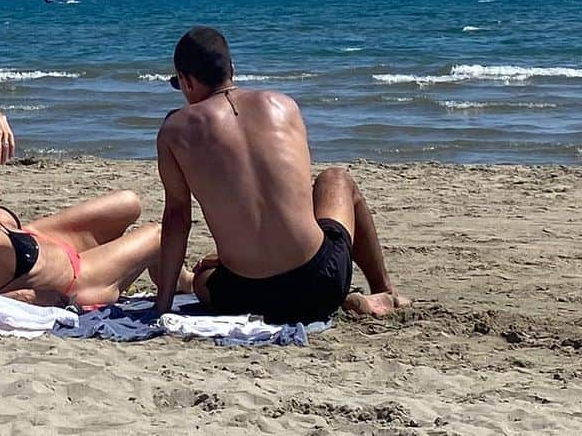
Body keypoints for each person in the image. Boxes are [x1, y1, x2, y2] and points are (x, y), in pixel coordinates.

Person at [154, 26, 411, 324]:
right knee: (336, 178)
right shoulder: (284, 105)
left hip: (242, 296)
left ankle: (232, 268)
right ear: (232, 69)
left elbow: (177, 219)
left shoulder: (174, 131)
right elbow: (283, 205)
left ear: (186, 81)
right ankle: (383, 290)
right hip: (320, 284)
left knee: (202, 279)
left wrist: (163, 306)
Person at [0, 111, 191, 306]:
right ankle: (184, 282)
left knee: (128, 203)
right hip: (78, 279)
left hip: (54, 247)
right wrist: (17, 298)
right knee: (159, 235)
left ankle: (169, 276)